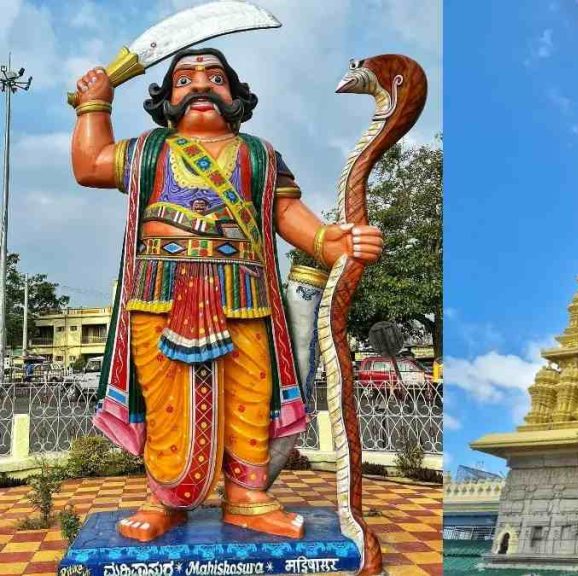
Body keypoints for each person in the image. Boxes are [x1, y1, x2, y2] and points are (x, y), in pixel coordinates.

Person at [70, 48, 383, 542]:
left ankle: (248, 499)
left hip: (243, 293)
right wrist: (94, 105)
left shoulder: (258, 154)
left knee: (251, 395)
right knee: (166, 400)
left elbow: (286, 216)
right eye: (184, 80)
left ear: (236, 97)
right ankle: (165, 500)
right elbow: (89, 165)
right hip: (161, 292)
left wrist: (332, 241)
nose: (200, 86)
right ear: (166, 99)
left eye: (216, 78)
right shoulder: (149, 150)